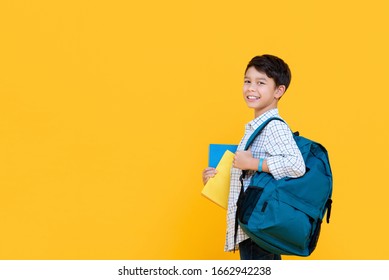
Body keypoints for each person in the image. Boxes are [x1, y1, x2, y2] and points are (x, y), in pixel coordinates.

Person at [202, 54, 306, 260]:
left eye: (261, 83)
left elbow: (296, 165)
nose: (251, 88)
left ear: (279, 91)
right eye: (247, 81)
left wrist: (252, 162)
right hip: (252, 225)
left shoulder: (274, 126)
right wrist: (214, 181)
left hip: (258, 225)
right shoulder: (256, 128)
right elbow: (249, 182)